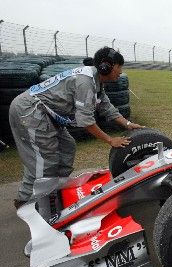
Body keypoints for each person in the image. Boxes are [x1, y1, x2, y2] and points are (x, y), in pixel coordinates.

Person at [9, 47, 143, 209]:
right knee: (44, 162)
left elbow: (106, 107)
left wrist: (128, 124)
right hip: (30, 112)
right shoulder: (85, 82)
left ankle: (54, 191)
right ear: (105, 66)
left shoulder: (96, 80)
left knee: (68, 148)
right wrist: (110, 140)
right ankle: (27, 202)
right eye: (119, 66)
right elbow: (85, 121)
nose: (120, 71)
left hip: (48, 115)